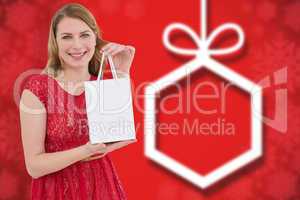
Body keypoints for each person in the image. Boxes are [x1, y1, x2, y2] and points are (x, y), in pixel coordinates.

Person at [19, 3, 136, 199]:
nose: (77, 45)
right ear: (55, 42)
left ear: (95, 37)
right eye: (66, 37)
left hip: (101, 189)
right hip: (55, 192)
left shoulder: (102, 86)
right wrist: (85, 151)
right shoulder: (38, 87)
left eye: (84, 35)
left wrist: (123, 73)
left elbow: (123, 134)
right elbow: (34, 166)